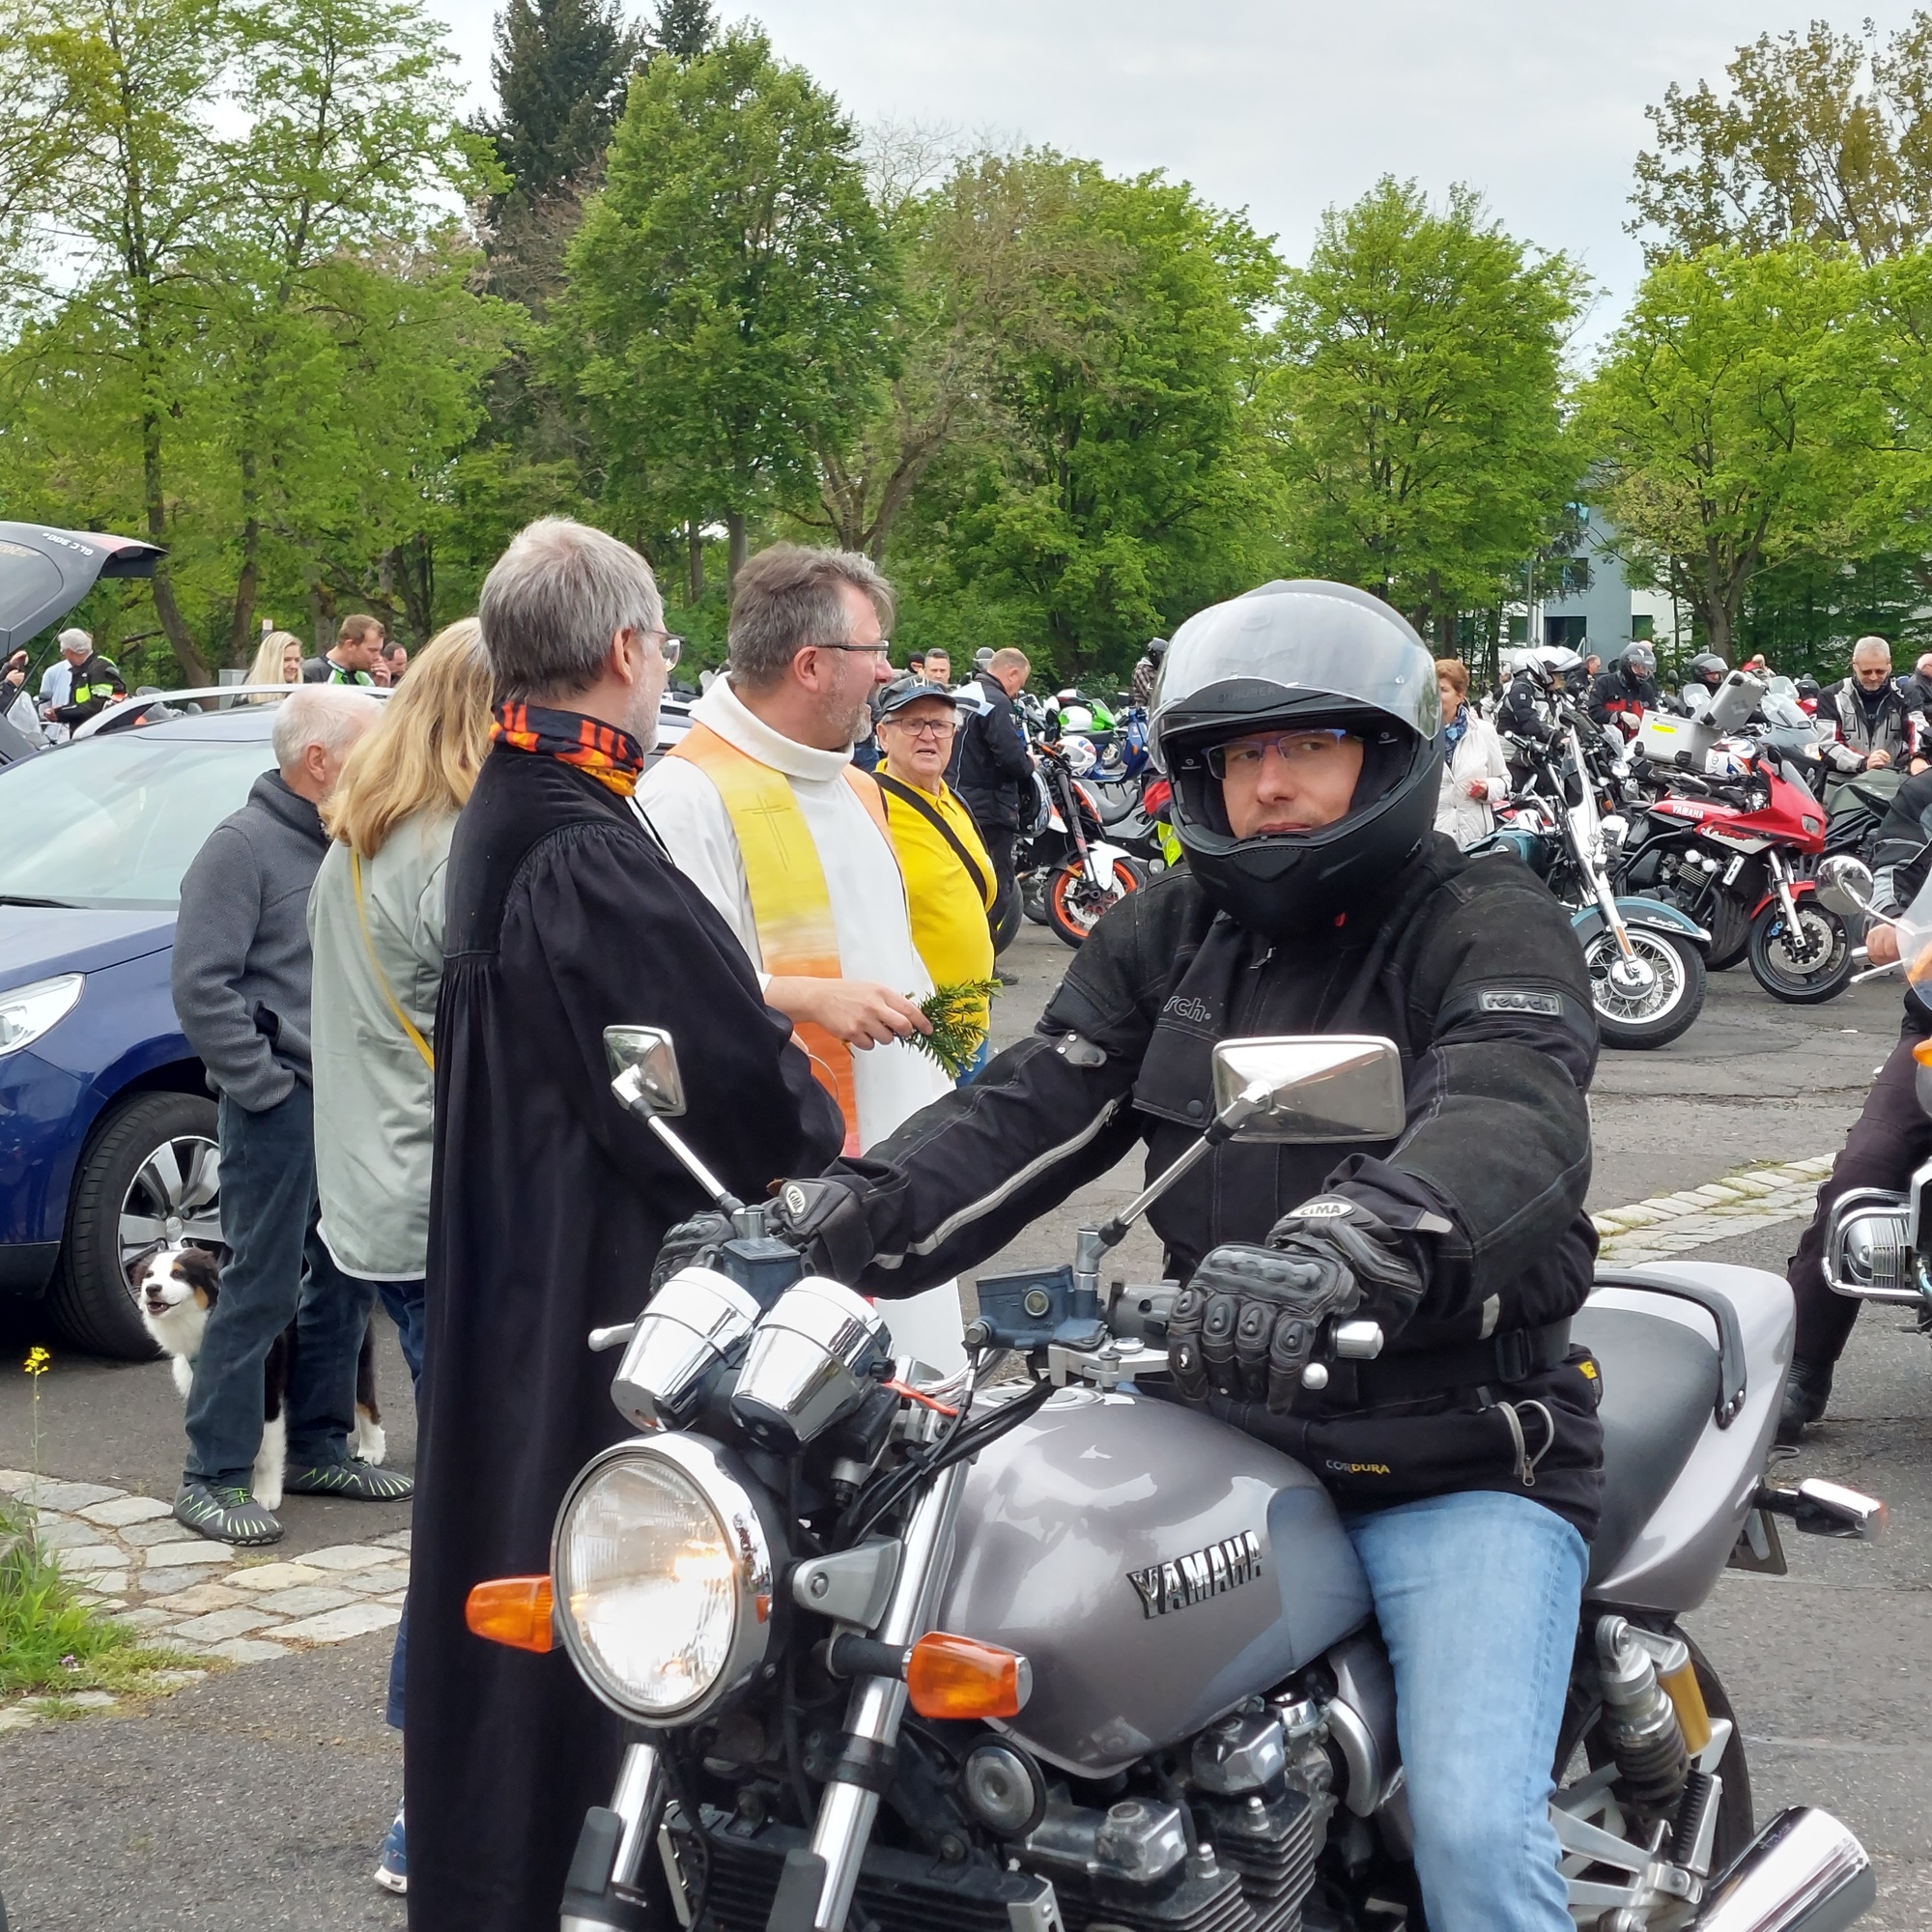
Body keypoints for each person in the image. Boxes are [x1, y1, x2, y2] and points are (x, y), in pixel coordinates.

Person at [689, 579, 1603, 1932]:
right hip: (1213, 1420)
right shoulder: (1174, 927)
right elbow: (1030, 1107)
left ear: (1387, 759)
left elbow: (1510, 1106)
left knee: (1471, 1839)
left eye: (1308, 748)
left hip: (1452, 1446)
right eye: (1241, 756)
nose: (1269, 785)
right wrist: (828, 1217)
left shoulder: (1483, 913)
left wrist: (1363, 1235)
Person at [407, 518, 842, 1932]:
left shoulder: (520, 801)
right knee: (619, 1596)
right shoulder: (575, 838)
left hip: (522, 1254)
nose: (664, 668)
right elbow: (726, 1087)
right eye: (660, 644)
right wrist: (809, 1127)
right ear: (620, 649)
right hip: (588, 1276)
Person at [636, 543, 963, 1364]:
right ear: (812, 665)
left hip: (902, 1148)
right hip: (797, 1173)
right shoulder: (688, 793)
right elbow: (676, 993)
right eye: (874, 651)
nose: (887, 672)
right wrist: (809, 996)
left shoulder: (856, 785)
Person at [307, 619, 492, 1896]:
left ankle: (436, 1799)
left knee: (466, 1496)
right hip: (443, 1207)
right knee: (482, 1506)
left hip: (376, 1202)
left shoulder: (360, 839)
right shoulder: (452, 849)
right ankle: (431, 1810)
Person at [169, 684, 410, 1545]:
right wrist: (266, 1087)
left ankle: (317, 1445)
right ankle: (213, 1474)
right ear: (318, 761)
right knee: (260, 1286)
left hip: (352, 1100)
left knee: (345, 1278)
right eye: (372, 748)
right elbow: (201, 985)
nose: (389, 762)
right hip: (280, 1106)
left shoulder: (353, 839)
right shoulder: (240, 848)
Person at [1780, 762, 1932, 1440]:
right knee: (1862, 1172)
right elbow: (1899, 865)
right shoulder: (1927, 795)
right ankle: (1800, 1364)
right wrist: (1895, 923)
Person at [873, 675, 999, 1081]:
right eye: (913, 723)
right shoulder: (867, 804)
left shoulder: (951, 798)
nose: (928, 735)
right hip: (912, 1039)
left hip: (971, 1025)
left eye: (941, 725)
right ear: (883, 735)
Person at [955, 646, 1034, 922]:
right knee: (997, 885)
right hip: (989, 805)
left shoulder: (958, 695)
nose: (1016, 691)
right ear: (1012, 673)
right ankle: (984, 946)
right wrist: (1030, 763)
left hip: (952, 798)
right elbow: (1013, 760)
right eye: (1019, 684)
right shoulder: (997, 703)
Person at [1433, 657, 1509, 845]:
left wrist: (1487, 789)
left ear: (1460, 696)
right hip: (1434, 841)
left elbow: (1505, 781)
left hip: (1475, 840)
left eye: (1442, 690)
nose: (1435, 695)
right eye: (1431, 689)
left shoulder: (1483, 731)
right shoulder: (1418, 736)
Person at [1822, 636, 1919, 775]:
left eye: (1880, 671)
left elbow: (1917, 727)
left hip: (1890, 776)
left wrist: (1917, 757)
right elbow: (1828, 745)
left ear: (1889, 665)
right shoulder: (1832, 695)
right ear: (1854, 665)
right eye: (1866, 672)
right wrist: (1863, 762)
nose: (1873, 677)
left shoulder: (1905, 693)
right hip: (1843, 779)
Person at [47, 629, 126, 729]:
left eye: (63, 651)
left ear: (69, 651)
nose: (64, 656)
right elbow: (80, 703)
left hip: (100, 732)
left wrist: (61, 713)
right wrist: (62, 710)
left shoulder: (100, 668)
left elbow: (99, 705)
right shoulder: (82, 669)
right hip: (85, 731)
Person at [1585, 640, 1659, 733]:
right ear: (1626, 664)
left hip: (1637, 740)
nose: (1642, 672)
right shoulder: (1605, 683)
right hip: (1608, 739)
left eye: (1645, 668)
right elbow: (1594, 712)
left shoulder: (1647, 689)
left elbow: (1654, 718)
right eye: (1638, 667)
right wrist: (1620, 716)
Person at [302, 612, 385, 685]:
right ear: (350, 645)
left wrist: (381, 688)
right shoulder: (313, 672)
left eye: (379, 651)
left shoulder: (366, 677)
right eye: (372, 650)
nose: (378, 657)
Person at [1131, 637, 1167, 708]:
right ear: (1154, 654)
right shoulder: (1142, 670)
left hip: (1160, 710)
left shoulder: (1160, 671)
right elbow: (1151, 695)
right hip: (1144, 711)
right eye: (1161, 656)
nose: (1163, 659)